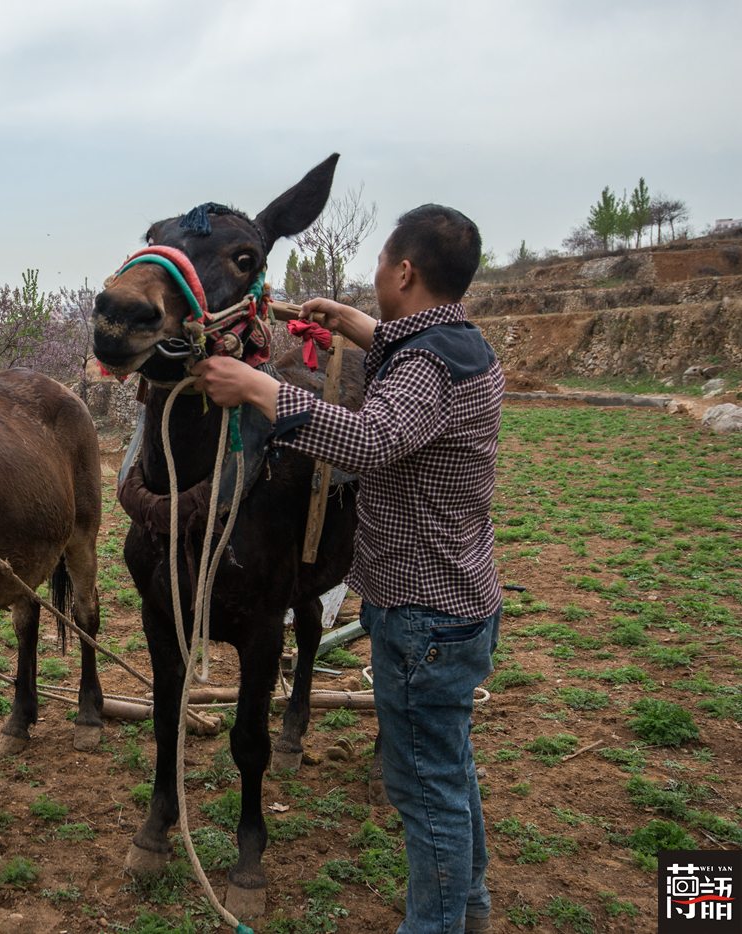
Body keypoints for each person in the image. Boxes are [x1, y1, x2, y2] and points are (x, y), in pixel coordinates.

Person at [193, 204, 503, 934]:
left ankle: (435, 925)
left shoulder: (427, 368)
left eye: (380, 265)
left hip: (421, 615)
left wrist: (261, 388)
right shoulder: (464, 345)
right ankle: (473, 907)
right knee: (448, 773)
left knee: (423, 792)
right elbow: (413, 360)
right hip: (458, 601)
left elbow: (371, 438)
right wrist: (356, 325)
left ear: (404, 271)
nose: (375, 279)